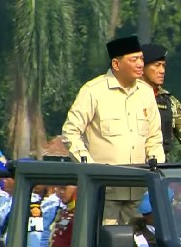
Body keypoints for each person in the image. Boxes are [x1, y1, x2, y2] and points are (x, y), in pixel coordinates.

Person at [61, 35, 165, 225]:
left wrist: (156, 168)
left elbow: (154, 137)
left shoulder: (146, 93)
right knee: (105, 242)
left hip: (138, 192)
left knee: (138, 243)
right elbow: (71, 132)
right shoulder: (93, 91)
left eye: (141, 59)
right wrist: (90, 168)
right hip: (104, 192)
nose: (140, 64)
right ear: (116, 64)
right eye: (134, 60)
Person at [140, 44, 181, 159]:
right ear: (142, 67)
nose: (162, 71)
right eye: (157, 65)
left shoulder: (168, 101)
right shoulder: (128, 96)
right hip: (130, 165)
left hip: (160, 165)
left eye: (163, 66)